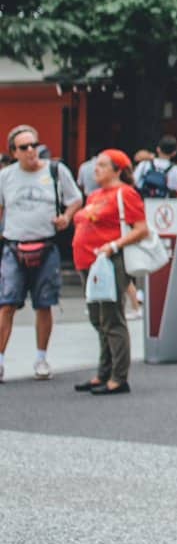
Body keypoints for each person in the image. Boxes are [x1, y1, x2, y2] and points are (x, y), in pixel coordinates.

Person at [0, 124, 82, 381]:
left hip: (46, 244)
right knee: (6, 304)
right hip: (14, 245)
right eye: (24, 147)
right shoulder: (6, 176)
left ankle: (41, 358)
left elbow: (76, 199)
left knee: (44, 304)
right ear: (13, 152)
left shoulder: (56, 171)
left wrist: (67, 217)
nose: (31, 151)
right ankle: (1, 359)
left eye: (34, 145)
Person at [70, 149, 150, 397]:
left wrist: (114, 245)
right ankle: (103, 372)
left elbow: (141, 229)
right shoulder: (94, 194)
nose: (96, 169)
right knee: (97, 318)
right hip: (89, 262)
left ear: (117, 170)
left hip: (109, 261)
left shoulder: (125, 194)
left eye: (103, 165)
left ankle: (119, 376)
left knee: (112, 318)